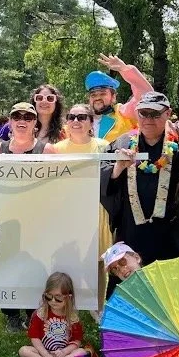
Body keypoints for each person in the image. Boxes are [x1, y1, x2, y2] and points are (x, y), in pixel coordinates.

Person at [101, 92, 179, 297]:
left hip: (171, 232)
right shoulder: (123, 143)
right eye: (143, 113)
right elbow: (102, 174)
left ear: (168, 114)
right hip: (132, 229)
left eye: (155, 114)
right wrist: (118, 168)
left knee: (172, 290)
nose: (148, 119)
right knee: (129, 286)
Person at [44, 103, 113, 309]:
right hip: (69, 213)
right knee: (67, 260)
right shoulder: (56, 150)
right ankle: (65, 306)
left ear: (91, 122)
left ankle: (97, 307)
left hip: (97, 212)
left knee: (98, 263)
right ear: (66, 122)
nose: (76, 121)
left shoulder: (104, 146)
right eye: (71, 117)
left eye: (82, 117)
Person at [0, 102, 44, 331]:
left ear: (35, 122)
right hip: (7, 217)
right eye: (17, 116)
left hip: (36, 217)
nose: (22, 121)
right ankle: (11, 315)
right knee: (8, 265)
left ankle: (34, 313)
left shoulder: (47, 150)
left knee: (35, 265)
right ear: (10, 122)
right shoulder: (0, 149)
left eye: (28, 117)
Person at [18, 272, 99, 357]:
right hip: (44, 352)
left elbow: (77, 341)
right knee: (24, 351)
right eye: (49, 296)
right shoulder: (40, 314)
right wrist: (46, 355)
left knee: (81, 352)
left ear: (69, 297)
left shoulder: (73, 318)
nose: (53, 301)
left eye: (58, 297)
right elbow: (34, 337)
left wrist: (65, 351)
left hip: (64, 353)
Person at [92, 242, 143, 357]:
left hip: (169, 340)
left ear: (137, 258)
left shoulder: (159, 281)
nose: (121, 269)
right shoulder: (120, 298)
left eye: (122, 261)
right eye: (115, 269)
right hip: (136, 347)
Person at [85, 53, 153, 142]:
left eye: (102, 94)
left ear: (113, 97)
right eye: (93, 95)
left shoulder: (123, 113)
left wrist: (125, 69)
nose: (97, 98)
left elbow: (147, 97)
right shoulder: (79, 119)